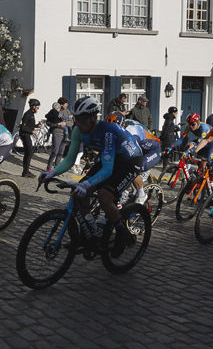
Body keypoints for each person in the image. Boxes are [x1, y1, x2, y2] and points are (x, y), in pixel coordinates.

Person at [39, 97, 143, 258]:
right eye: (75, 119)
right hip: (111, 160)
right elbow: (69, 160)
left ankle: (122, 233)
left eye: (82, 119)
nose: (78, 123)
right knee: (79, 193)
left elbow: (108, 170)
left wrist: (86, 185)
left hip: (130, 161)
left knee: (105, 197)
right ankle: (89, 232)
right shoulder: (77, 131)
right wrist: (51, 172)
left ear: (94, 118)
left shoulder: (108, 131)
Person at [110, 111, 162, 204]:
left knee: (133, 168)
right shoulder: (121, 127)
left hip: (153, 149)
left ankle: (141, 195)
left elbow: (134, 155)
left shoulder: (131, 133)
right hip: (140, 145)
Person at [19, 99, 41, 178]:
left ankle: (25, 171)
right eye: (37, 107)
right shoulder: (27, 114)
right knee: (29, 152)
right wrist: (32, 131)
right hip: (24, 134)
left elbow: (29, 125)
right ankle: (26, 171)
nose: (38, 109)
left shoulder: (31, 114)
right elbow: (23, 128)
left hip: (27, 134)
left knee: (29, 152)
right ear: (33, 106)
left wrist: (36, 126)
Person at [46, 97, 69, 170]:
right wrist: (58, 124)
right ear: (61, 105)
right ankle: (49, 167)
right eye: (65, 104)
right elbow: (48, 122)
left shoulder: (67, 111)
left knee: (61, 152)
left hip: (64, 134)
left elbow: (71, 122)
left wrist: (65, 123)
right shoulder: (54, 112)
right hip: (57, 133)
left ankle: (56, 168)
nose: (67, 105)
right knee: (55, 151)